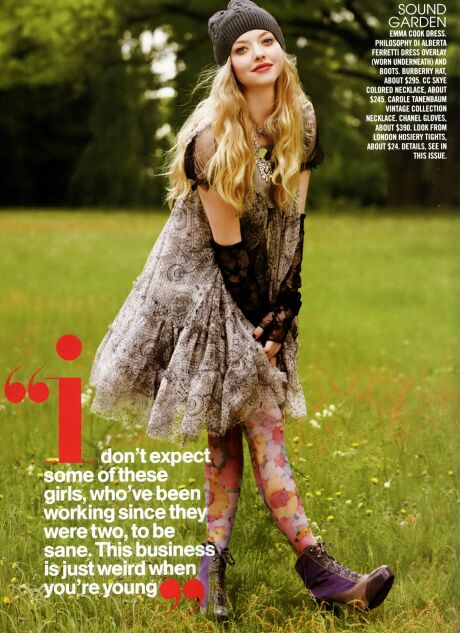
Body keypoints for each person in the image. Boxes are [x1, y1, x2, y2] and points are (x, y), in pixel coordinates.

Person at [89, 0, 394, 622]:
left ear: (281, 50)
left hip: (261, 276)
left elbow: (293, 222)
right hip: (204, 285)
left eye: (265, 41)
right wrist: (262, 325)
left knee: (227, 433)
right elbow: (226, 249)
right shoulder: (213, 139)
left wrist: (287, 305)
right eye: (241, 48)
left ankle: (210, 573)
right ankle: (320, 569)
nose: (258, 53)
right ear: (228, 66)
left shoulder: (301, 119)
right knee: (263, 419)